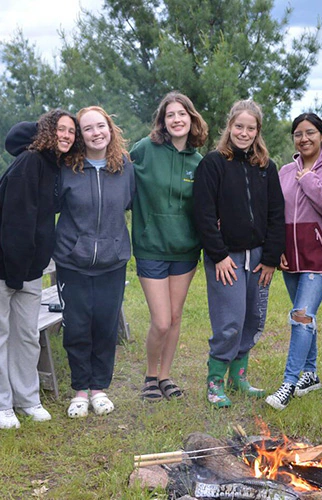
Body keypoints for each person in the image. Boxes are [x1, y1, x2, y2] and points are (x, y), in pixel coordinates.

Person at [193, 99, 285, 408]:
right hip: (226, 258)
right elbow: (203, 215)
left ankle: (238, 376)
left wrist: (271, 258)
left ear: (258, 131)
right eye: (239, 126)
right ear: (229, 127)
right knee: (230, 320)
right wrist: (218, 255)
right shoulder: (213, 163)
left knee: (253, 318)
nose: (244, 133)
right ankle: (215, 381)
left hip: (258, 257)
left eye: (251, 127)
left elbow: (276, 213)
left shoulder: (265, 167)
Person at [0, 109, 79, 429]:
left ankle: (27, 399)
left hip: (30, 268)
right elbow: (15, 222)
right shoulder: (30, 162)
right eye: (60, 129)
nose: (67, 136)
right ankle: (3, 405)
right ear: (46, 130)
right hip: (6, 267)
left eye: (71, 132)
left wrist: (29, 269)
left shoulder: (54, 167)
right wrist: (16, 273)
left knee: (26, 337)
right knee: (1, 336)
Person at [54, 106, 135, 418]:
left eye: (101, 126)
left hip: (112, 262)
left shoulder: (124, 167)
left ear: (110, 129)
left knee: (104, 325)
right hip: (72, 262)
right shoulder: (66, 167)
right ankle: (80, 390)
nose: (96, 133)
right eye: (87, 128)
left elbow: (130, 203)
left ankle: (99, 388)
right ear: (80, 135)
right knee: (76, 326)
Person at [130, 92, 208, 401]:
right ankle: (150, 374)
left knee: (175, 318)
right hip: (151, 246)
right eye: (170, 115)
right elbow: (115, 169)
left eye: (182, 114)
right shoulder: (145, 150)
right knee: (160, 321)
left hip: (185, 251)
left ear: (192, 120)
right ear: (163, 121)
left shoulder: (199, 162)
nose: (177, 120)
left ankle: (165, 376)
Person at [266, 113, 322, 411]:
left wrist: (311, 181)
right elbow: (277, 213)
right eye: (298, 134)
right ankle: (310, 375)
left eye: (310, 132)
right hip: (291, 257)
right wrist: (278, 249)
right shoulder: (285, 171)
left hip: (321, 256)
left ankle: (288, 382)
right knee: (305, 316)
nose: (304, 138)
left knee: (300, 316)